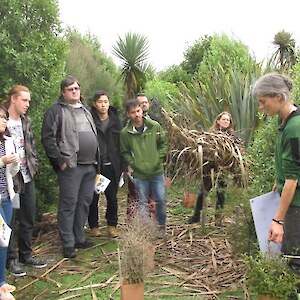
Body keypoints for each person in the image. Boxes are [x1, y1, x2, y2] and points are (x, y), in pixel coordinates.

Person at [41, 76, 100, 259]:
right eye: (70, 89)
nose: (74, 91)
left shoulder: (86, 110)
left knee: (84, 203)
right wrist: (60, 161)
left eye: (76, 88)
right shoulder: (56, 111)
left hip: (90, 165)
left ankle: (78, 237)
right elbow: (48, 138)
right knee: (68, 205)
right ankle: (67, 244)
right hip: (71, 167)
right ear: (63, 92)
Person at [252, 72, 300, 269]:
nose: (261, 107)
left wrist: (277, 220)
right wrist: (278, 178)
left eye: (263, 101)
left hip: (296, 206)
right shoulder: (287, 122)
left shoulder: (294, 127)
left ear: (278, 97)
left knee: (294, 263)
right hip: (292, 202)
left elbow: (293, 179)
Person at [3, 86, 47, 277]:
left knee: (28, 216)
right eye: (24, 100)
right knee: (10, 219)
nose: (28, 105)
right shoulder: (2, 121)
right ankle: (10, 260)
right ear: (13, 99)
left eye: (28, 101)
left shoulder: (25, 120)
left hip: (27, 175)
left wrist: (33, 164)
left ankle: (26, 255)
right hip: (10, 181)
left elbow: (31, 144)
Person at [120, 99, 167, 237]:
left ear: (142, 110)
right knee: (142, 202)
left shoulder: (154, 126)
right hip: (139, 174)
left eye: (138, 111)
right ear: (128, 114)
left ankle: (160, 226)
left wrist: (158, 158)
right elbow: (125, 152)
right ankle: (147, 228)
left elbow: (163, 143)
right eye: (133, 112)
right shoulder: (125, 133)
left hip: (156, 172)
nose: (137, 115)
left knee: (160, 200)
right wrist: (134, 164)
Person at [87, 90, 124, 238]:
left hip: (112, 165)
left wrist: (123, 165)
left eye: (106, 102)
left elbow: (122, 144)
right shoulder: (89, 119)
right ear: (94, 104)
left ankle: (111, 226)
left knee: (112, 198)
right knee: (93, 198)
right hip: (96, 166)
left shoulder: (116, 121)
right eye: (100, 102)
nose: (103, 105)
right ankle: (94, 226)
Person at [187, 111, 235, 225]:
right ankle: (196, 216)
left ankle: (218, 220)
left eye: (228, 120)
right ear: (218, 121)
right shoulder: (210, 135)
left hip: (223, 169)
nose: (226, 121)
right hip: (210, 168)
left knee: (221, 193)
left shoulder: (232, 137)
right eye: (224, 119)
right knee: (203, 191)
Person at [0, 105, 19, 300]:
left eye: (5, 118)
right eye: (0, 117)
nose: (4, 121)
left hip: (7, 197)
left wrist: (14, 163)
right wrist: (2, 161)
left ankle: (2, 283)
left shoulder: (8, 141)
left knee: (3, 240)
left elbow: (11, 173)